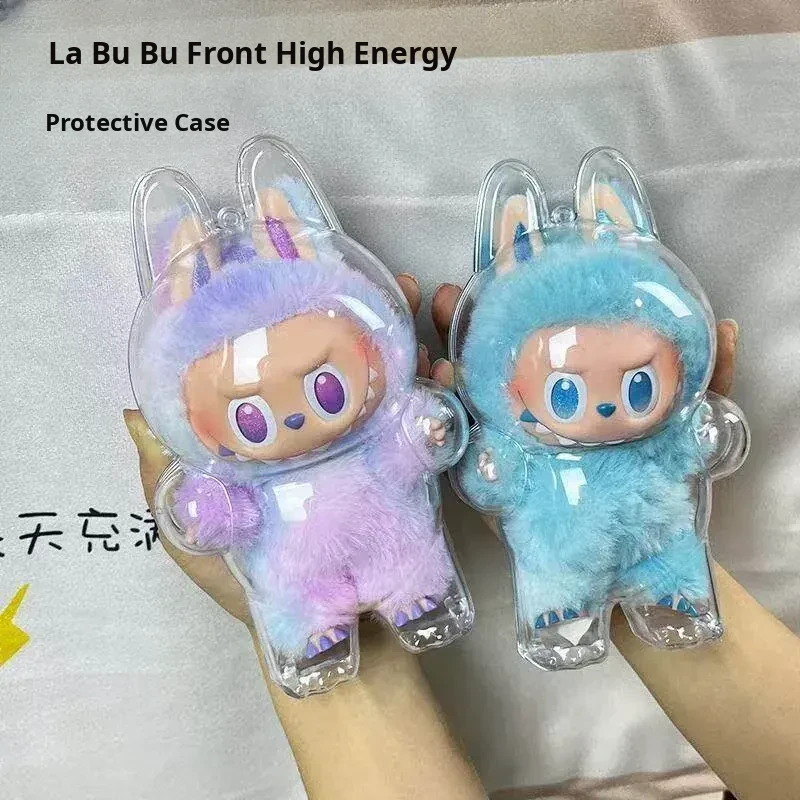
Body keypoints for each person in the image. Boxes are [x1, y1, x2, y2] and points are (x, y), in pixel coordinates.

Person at [124, 275, 800, 800]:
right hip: (313, 572)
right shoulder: (269, 471)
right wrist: (209, 512)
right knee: (349, 586)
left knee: (467, 562)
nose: (297, 417)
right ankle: (345, 628)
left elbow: (684, 447)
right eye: (249, 413)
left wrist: (695, 432)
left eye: (324, 387)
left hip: (633, 544)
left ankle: (636, 598)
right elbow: (245, 511)